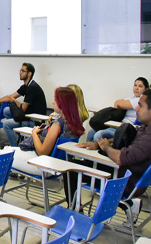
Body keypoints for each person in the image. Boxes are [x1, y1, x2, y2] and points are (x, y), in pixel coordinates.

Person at [66, 89, 151, 223]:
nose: (136, 109)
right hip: (124, 175)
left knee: (71, 171)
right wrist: (100, 144)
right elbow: (130, 138)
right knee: (75, 165)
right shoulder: (146, 128)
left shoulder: (149, 138)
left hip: (122, 181)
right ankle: (129, 204)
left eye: (140, 105)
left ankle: (75, 218)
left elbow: (119, 158)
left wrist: (106, 147)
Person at [9, 87, 84, 175]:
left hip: (44, 165)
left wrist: (34, 133)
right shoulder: (74, 123)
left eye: (55, 100)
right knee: (7, 151)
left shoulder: (58, 124)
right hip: (59, 165)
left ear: (63, 103)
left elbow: (42, 152)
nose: (53, 102)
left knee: (3, 153)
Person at [0, 63, 47, 147]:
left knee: (6, 124)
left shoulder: (32, 87)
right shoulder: (26, 86)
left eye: (23, 71)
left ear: (29, 73)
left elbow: (23, 108)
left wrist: (14, 101)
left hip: (35, 122)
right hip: (27, 116)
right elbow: (9, 97)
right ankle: (20, 135)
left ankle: (15, 147)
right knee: (6, 110)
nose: (20, 73)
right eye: (20, 70)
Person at [87, 77, 149, 141]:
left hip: (126, 130)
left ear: (146, 89)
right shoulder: (132, 98)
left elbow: (119, 104)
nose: (136, 88)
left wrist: (122, 104)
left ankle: (97, 150)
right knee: (91, 132)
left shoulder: (141, 100)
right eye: (135, 85)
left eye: (140, 86)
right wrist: (123, 104)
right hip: (118, 125)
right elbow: (116, 103)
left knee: (99, 135)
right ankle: (85, 148)